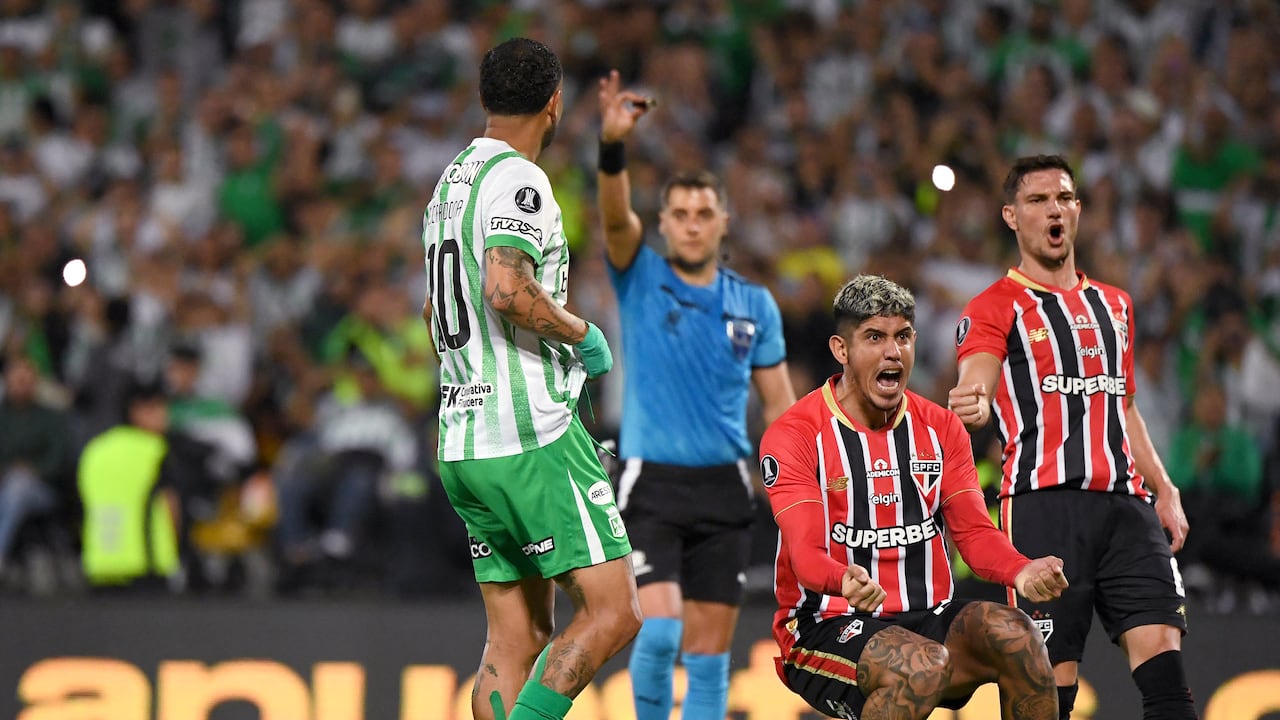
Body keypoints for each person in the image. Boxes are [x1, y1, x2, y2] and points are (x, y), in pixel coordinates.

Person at [423, 38, 641, 720]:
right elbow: (506, 289)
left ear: (486, 99)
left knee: (516, 638)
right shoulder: (519, 180)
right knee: (613, 613)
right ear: (555, 103)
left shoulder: (448, 184)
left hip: (464, 440)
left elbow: (435, 308)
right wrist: (584, 334)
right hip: (530, 437)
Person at [948, 154, 1196, 720]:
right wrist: (973, 400)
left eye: (1064, 197)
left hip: (1128, 509)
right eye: (1038, 200)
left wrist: (1164, 485)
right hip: (1043, 507)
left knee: (1166, 675)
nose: (1053, 210)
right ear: (1012, 216)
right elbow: (977, 380)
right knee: (1048, 693)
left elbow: (1123, 406)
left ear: (1078, 209)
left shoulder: (1115, 305)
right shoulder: (994, 305)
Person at [761, 274, 1069, 720]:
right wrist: (842, 579)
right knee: (921, 664)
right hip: (824, 626)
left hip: (928, 619)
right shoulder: (796, 434)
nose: (892, 352)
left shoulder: (941, 429)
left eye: (902, 336)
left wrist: (1020, 569)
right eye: (874, 337)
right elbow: (805, 555)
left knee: (1019, 634)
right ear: (841, 350)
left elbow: (975, 534)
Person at [596, 69, 798, 720]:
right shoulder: (640, 275)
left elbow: (778, 404)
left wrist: (792, 483)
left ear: (722, 222)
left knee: (710, 655)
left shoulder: (754, 304)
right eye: (678, 214)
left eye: (702, 214)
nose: (689, 224)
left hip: (725, 489)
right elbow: (612, 213)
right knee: (657, 635)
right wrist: (612, 146)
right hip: (650, 484)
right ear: (662, 223)